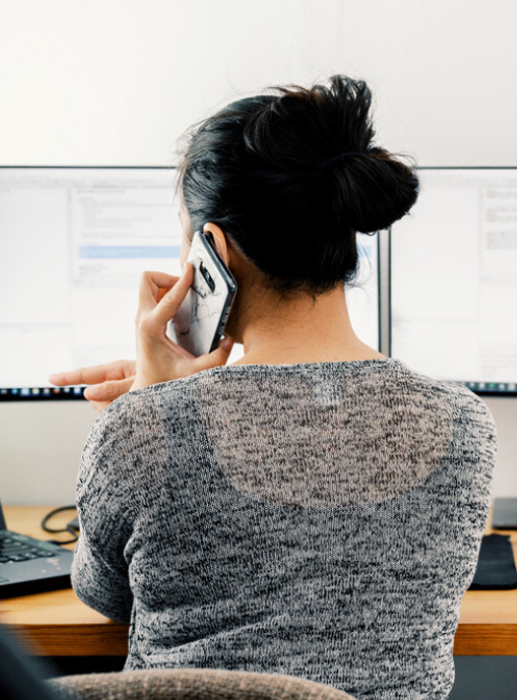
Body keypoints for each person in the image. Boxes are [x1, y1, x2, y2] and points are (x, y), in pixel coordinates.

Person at [48, 75, 495, 700]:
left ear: (212, 253)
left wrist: (153, 403)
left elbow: (105, 596)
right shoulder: (466, 424)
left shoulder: (143, 427)